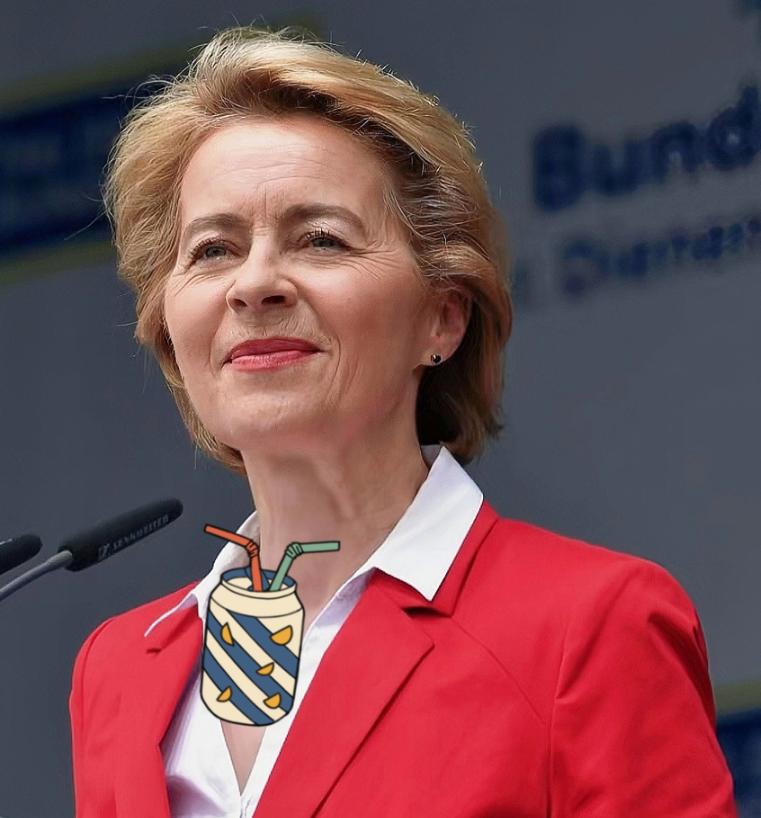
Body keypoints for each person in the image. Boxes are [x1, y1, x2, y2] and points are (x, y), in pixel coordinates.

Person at [68, 24, 738, 818]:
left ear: (441, 318)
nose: (253, 284)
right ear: (168, 324)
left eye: (320, 240)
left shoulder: (588, 625)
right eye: (213, 250)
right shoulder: (117, 668)